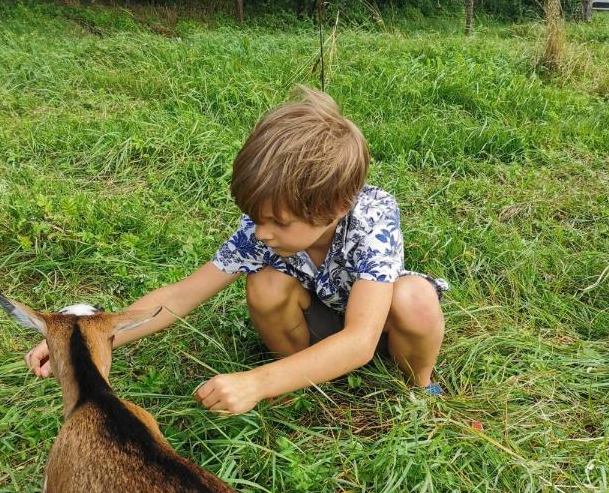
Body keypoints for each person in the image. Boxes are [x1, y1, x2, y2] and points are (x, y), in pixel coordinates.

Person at [25, 87, 447, 414]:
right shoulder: (263, 230)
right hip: (320, 318)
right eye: (256, 218)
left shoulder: (372, 217)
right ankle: (299, 377)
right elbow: (178, 297)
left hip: (375, 328)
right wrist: (89, 337)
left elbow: (360, 340)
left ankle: (418, 386)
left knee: (416, 299)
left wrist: (256, 382)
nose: (262, 233)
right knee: (264, 282)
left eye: (278, 223)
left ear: (335, 208)